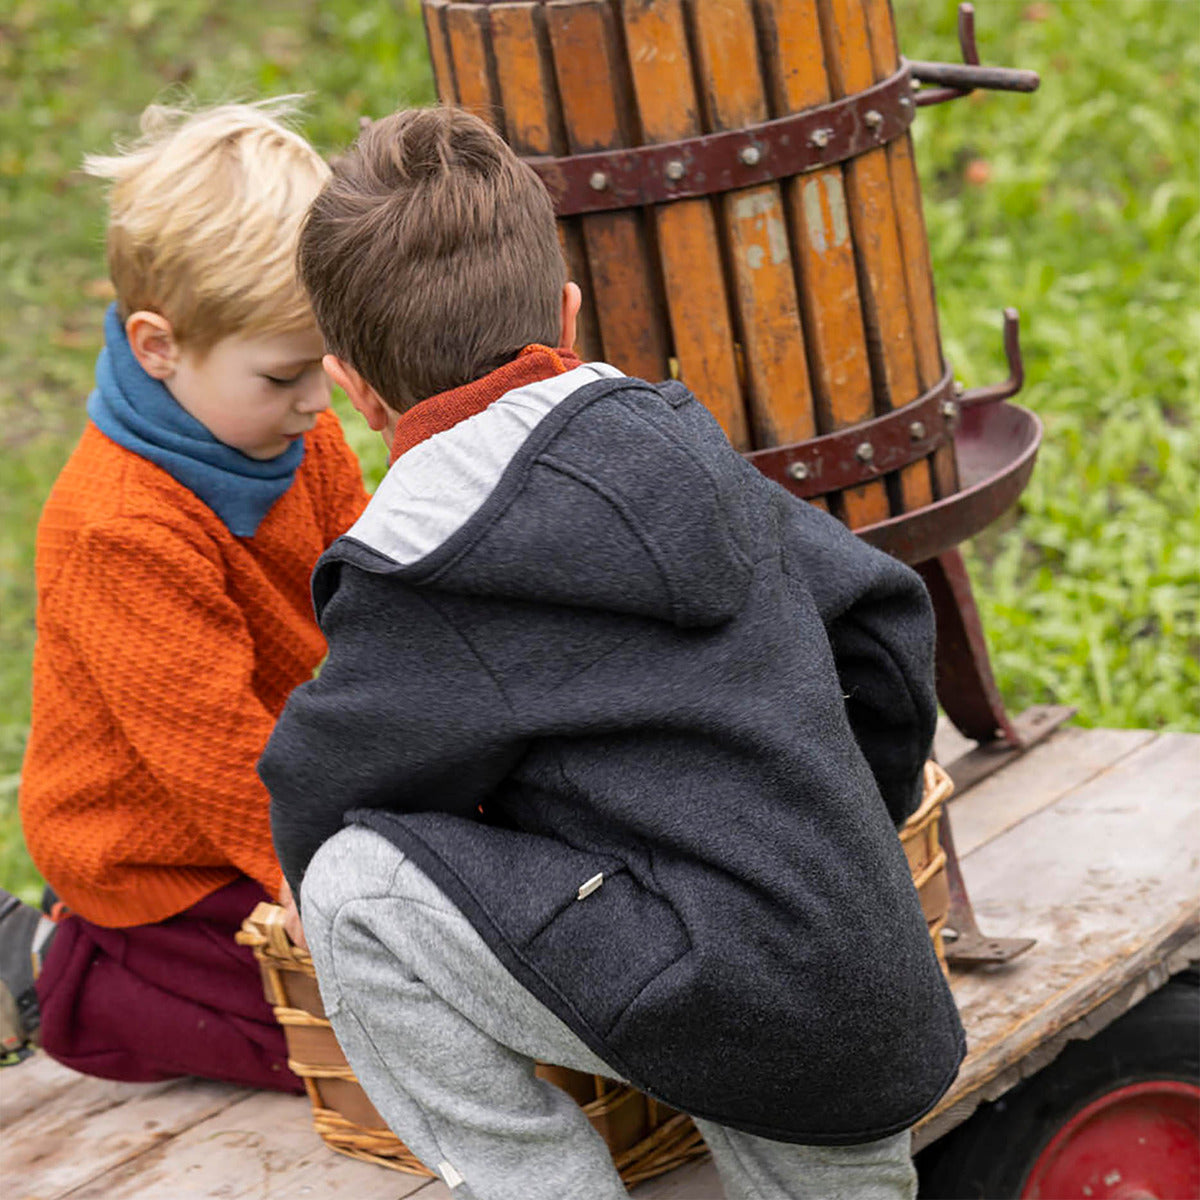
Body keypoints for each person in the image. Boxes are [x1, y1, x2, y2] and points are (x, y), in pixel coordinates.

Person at [262, 107, 965, 1199]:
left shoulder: (427, 562)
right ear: (571, 315)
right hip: (870, 998)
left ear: (353, 386)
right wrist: (832, 835)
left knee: (351, 887)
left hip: (718, 1006)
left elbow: (318, 789)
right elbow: (882, 622)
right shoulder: (690, 449)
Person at [0, 100, 370, 1091]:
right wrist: (313, 883)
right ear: (159, 347)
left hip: (286, 781)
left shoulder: (296, 435)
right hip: (162, 857)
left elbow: (375, 593)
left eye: (324, 364)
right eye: (286, 373)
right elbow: (215, 759)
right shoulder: (119, 526)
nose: (318, 402)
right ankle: (52, 971)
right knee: (344, 1039)